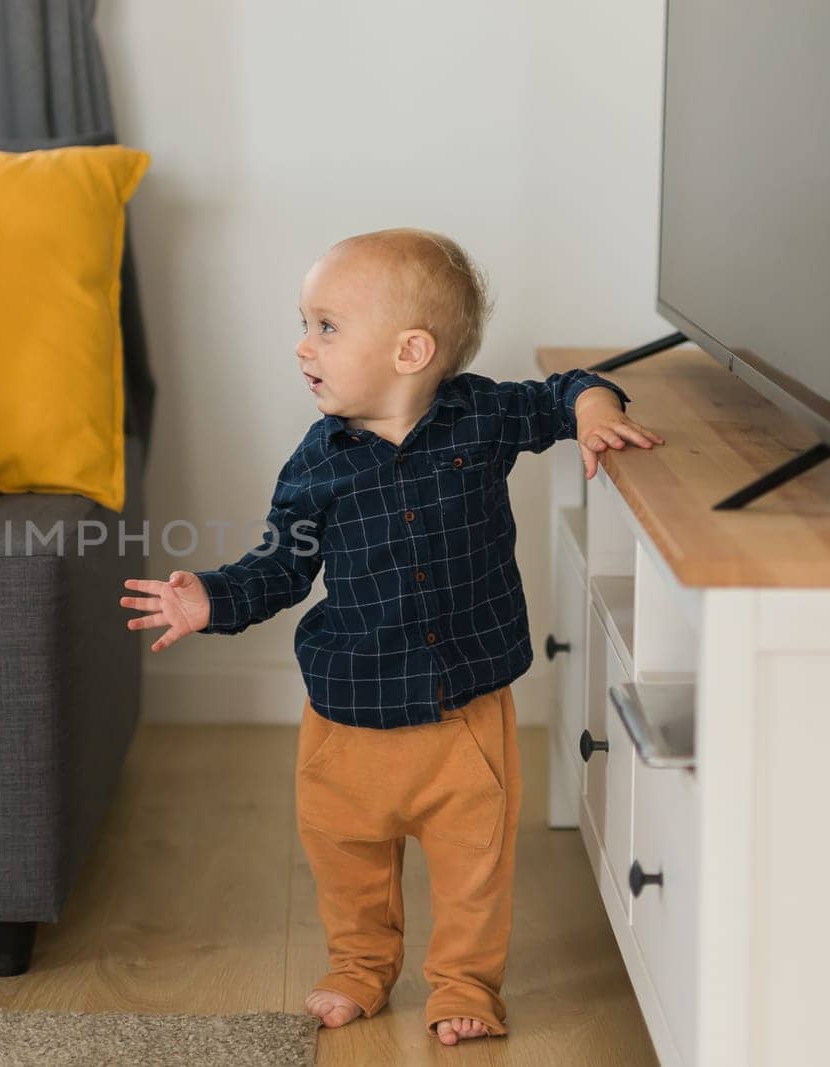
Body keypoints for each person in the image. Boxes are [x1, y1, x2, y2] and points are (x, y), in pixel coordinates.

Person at [119, 228, 664, 1045]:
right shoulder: (317, 463)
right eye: (304, 323)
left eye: (327, 326)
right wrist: (211, 599)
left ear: (412, 350)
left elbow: (565, 391)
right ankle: (359, 967)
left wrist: (593, 410)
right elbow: (280, 567)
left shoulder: (479, 414)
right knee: (348, 859)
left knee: (475, 865)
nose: (303, 345)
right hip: (347, 716)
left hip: (465, 713)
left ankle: (466, 984)